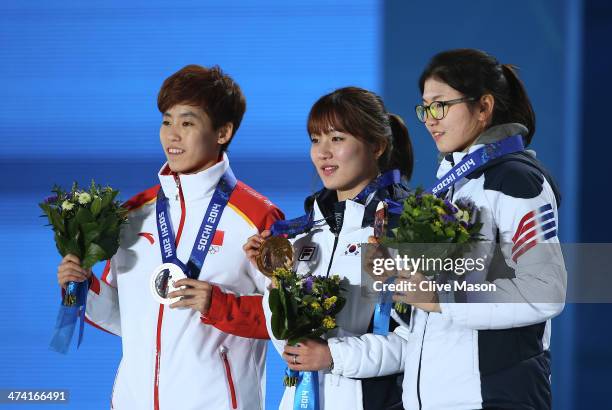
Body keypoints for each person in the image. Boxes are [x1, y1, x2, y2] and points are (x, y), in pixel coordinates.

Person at [299, 49, 566, 410]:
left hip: (495, 397)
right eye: (424, 108)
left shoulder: (515, 179)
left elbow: (545, 290)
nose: (430, 119)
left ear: (484, 107)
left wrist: (441, 297)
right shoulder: (456, 186)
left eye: (441, 105)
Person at [56, 64, 283, 410]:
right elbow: (125, 318)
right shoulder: (133, 214)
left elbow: (285, 320)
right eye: (166, 121)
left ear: (222, 132)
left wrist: (218, 305)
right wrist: (83, 286)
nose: (172, 135)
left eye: (187, 123)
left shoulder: (257, 218)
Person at [203, 86, 414, 410]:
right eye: (316, 140)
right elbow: (289, 344)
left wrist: (332, 356)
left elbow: (415, 343)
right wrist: (278, 283)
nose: (323, 152)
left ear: (377, 146)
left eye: (337, 139)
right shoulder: (299, 235)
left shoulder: (405, 228)